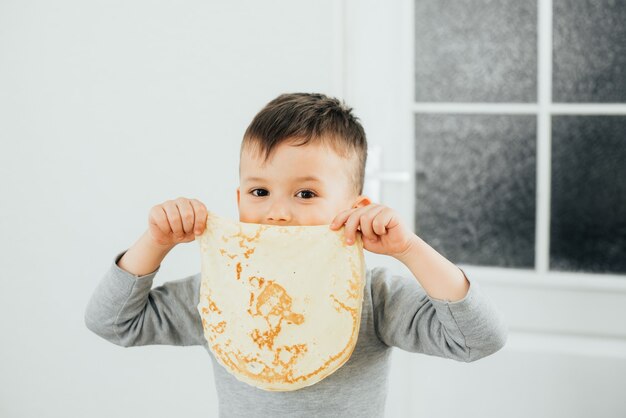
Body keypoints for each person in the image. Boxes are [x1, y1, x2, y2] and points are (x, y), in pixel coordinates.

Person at [84, 92, 508, 417]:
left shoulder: (373, 297)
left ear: (355, 210)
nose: (277, 213)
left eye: (306, 193)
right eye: (259, 191)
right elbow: (112, 323)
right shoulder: (222, 291)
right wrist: (155, 242)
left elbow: (479, 339)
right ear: (239, 201)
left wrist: (409, 249)